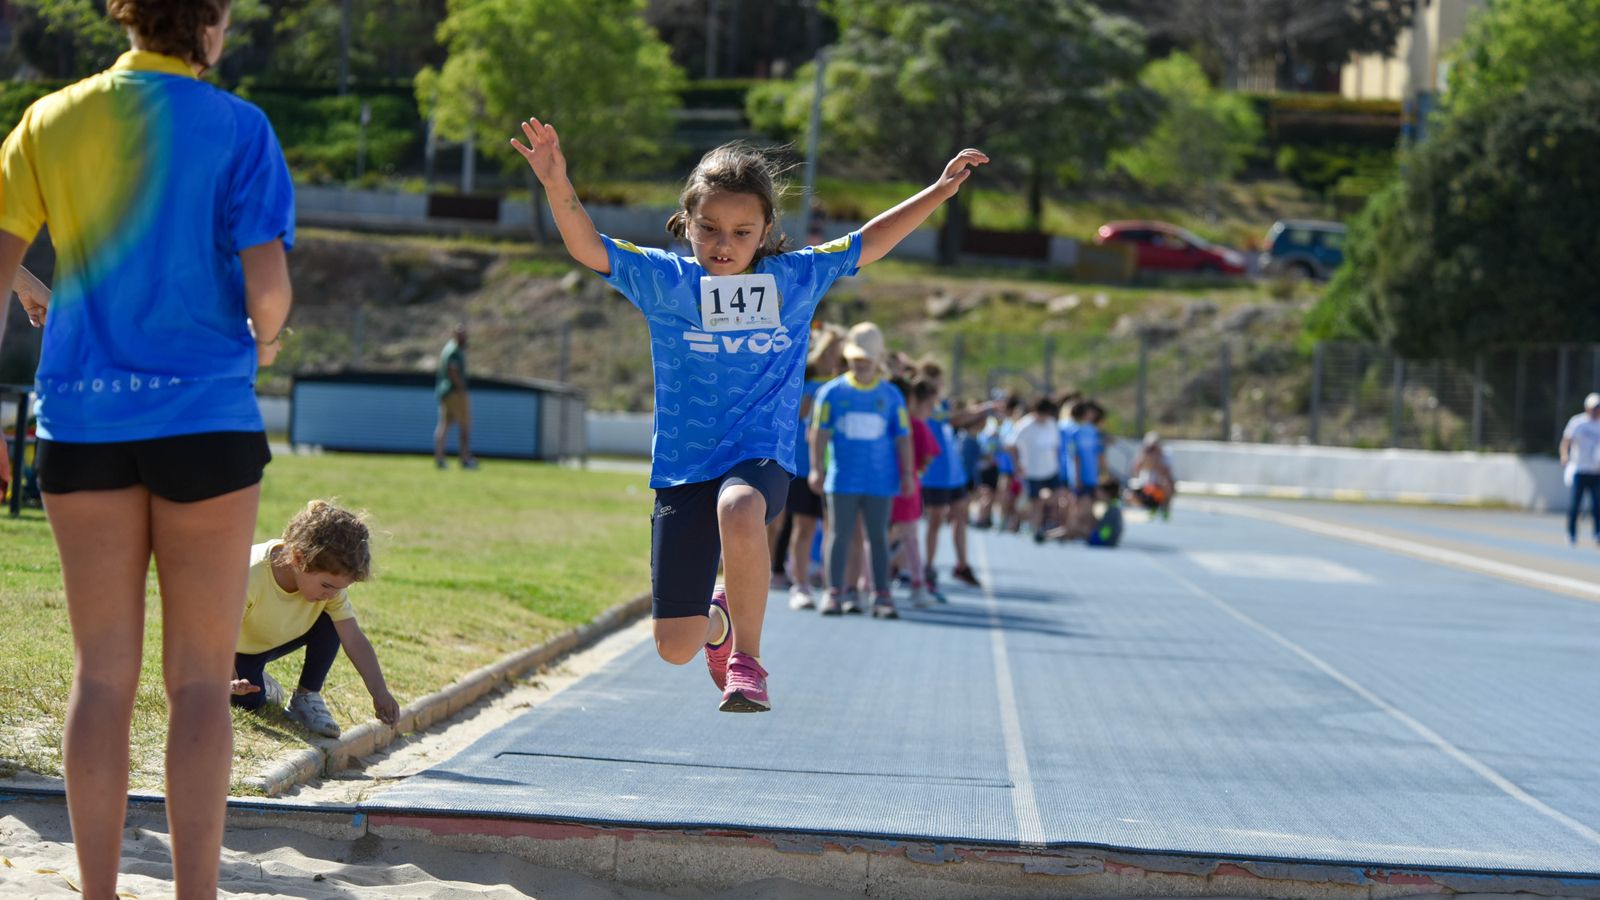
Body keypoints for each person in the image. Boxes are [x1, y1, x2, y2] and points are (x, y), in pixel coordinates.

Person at [512, 118, 987, 712]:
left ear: (766, 231)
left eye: (741, 231)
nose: (723, 244)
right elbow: (587, 246)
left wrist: (939, 191)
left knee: (740, 508)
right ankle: (718, 622)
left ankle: (748, 662)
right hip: (684, 467)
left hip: (760, 455)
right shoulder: (665, 280)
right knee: (675, 647)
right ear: (685, 222)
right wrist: (558, 182)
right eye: (708, 228)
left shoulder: (795, 278)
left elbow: (869, 239)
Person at [0, 1, 294, 895]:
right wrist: (269, 338)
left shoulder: (49, 119)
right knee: (202, 682)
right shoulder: (240, 126)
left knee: (102, 674)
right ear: (208, 24)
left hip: (83, 423)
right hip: (204, 419)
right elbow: (268, 290)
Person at [230, 500, 399, 738]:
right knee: (245, 701)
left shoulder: (329, 590)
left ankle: (305, 696)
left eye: (339, 588)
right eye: (327, 585)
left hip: (273, 638)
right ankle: (262, 684)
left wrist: (380, 692)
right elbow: (218, 636)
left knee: (334, 620)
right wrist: (229, 679)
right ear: (298, 558)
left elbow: (353, 638)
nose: (331, 594)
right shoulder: (250, 575)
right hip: (229, 646)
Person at [811, 341, 915, 618]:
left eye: (866, 360)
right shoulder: (831, 392)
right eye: (856, 359)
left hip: (880, 480)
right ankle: (834, 592)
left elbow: (903, 436)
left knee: (878, 537)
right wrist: (816, 468)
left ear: (877, 359)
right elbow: (819, 432)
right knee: (839, 535)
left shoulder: (891, 395)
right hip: (843, 478)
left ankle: (881, 595)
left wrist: (907, 473)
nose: (861, 365)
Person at [891, 378, 942, 608]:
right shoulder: (916, 424)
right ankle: (918, 585)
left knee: (878, 538)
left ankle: (872, 583)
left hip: (885, 485)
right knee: (909, 537)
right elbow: (928, 456)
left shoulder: (886, 421)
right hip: (906, 487)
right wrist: (916, 470)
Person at [1008, 398, 1062, 544]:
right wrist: (1017, 465)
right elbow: (1010, 446)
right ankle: (1036, 530)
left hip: (1051, 469)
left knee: (1057, 497)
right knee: (1036, 503)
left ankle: (1051, 524)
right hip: (1032, 470)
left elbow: (1055, 446)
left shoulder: (1051, 423)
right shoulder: (1024, 425)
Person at [435, 323, 478, 470]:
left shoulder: (450, 348)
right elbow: (452, 372)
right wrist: (461, 389)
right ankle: (464, 458)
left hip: (445, 392)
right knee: (464, 425)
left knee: (445, 425)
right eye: (461, 335)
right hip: (454, 392)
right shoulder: (453, 351)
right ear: (455, 335)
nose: (464, 338)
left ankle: (440, 458)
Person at [1560, 393, 1600, 546]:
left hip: (1596, 472)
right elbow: (1566, 440)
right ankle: (1571, 534)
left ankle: (1597, 533)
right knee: (1575, 504)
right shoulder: (1578, 422)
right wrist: (1564, 455)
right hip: (1579, 469)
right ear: (1587, 408)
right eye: (1594, 407)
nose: (1597, 410)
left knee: (1597, 505)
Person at [1129, 431, 1176, 520]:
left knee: (1167, 484)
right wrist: (1143, 459)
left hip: (1158, 486)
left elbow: (1168, 474)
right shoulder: (1143, 454)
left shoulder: (1165, 455)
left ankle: (1164, 509)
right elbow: (1134, 471)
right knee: (1129, 493)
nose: (1152, 450)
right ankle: (1147, 507)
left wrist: (1156, 462)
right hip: (1145, 486)